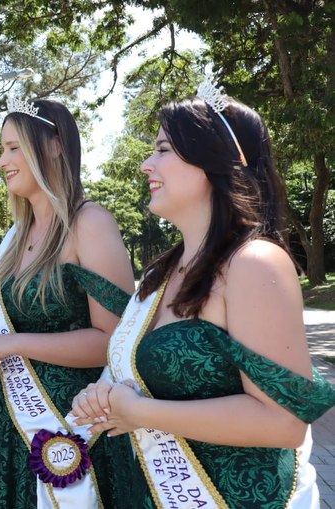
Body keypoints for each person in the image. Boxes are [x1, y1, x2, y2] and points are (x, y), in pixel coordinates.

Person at [71, 81, 335, 508]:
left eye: (162, 150)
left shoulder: (253, 264)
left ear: (214, 160)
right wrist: (99, 396)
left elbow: (283, 422)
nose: (145, 164)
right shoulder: (161, 271)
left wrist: (139, 413)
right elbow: (131, 374)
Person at [0, 97, 136, 508]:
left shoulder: (88, 223)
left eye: (13, 147)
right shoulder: (15, 236)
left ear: (55, 145)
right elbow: (10, 324)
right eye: (2, 149)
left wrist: (11, 344)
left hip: (74, 426)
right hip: (14, 423)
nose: (2, 160)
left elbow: (115, 342)